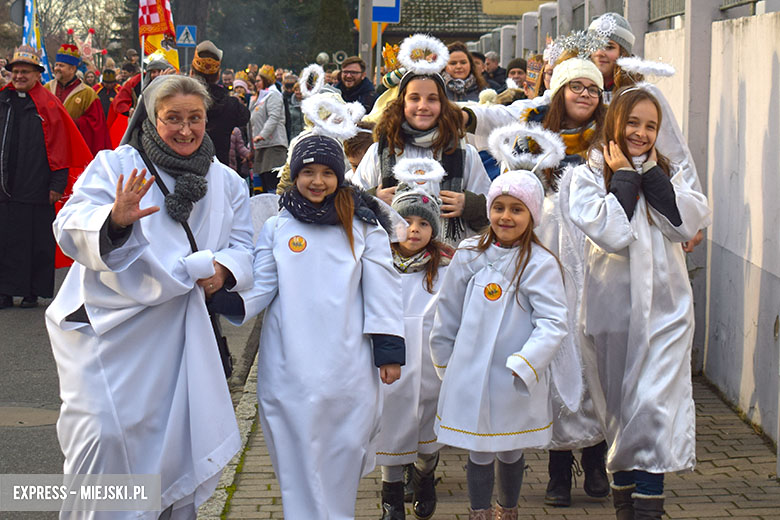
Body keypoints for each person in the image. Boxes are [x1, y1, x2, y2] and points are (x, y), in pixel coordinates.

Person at [46, 75, 254, 519]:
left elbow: (243, 246)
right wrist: (114, 220)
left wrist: (223, 270)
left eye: (195, 118)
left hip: (181, 335)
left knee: (177, 444)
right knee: (102, 435)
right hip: (110, 334)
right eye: (172, 118)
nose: (185, 129)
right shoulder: (115, 166)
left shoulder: (227, 182)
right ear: (151, 118)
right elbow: (68, 225)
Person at [228, 132, 405, 519]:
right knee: (297, 461)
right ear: (295, 175)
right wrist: (222, 296)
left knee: (342, 454)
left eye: (328, 173)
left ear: (339, 176)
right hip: (289, 368)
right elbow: (262, 285)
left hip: (348, 365)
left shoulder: (364, 227)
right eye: (308, 172)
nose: (318, 181)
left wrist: (389, 349)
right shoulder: (277, 227)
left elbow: (383, 289)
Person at [466, 55, 611, 508]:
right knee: (552, 352)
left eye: (592, 88)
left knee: (593, 355)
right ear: (559, 91)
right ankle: (558, 469)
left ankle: (596, 457)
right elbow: (512, 189)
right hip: (544, 259)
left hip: (596, 261)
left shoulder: (607, 139)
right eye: (576, 86)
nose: (584, 94)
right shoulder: (532, 135)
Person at [566, 86, 712, 520]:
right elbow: (610, 232)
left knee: (654, 405)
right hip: (613, 310)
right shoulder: (588, 174)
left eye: (651, 126)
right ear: (615, 122)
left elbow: (684, 223)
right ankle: (626, 502)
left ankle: (650, 507)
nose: (641, 133)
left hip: (667, 309)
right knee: (620, 409)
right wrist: (625, 177)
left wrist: (648, 175)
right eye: (632, 122)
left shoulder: (668, 173)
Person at [430, 170, 568, 519]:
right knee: (478, 447)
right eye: (499, 207)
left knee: (509, 447)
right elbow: (448, 311)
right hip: (471, 371)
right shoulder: (469, 254)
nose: (506, 216)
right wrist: (445, 360)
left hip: (513, 376)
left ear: (532, 215)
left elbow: (553, 322)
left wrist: (526, 363)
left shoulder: (540, 263)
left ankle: (508, 510)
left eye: (517, 209)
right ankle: (479, 511)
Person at [354, 38, 491, 246]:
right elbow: (349, 202)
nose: (423, 106)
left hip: (449, 257)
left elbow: (492, 208)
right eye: (414, 98)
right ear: (402, 103)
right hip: (390, 257)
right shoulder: (378, 153)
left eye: (432, 99)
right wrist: (374, 199)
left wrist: (469, 205)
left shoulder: (466, 153)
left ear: (443, 105)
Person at [376, 159, 453, 520]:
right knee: (389, 429)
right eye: (406, 221)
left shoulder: (446, 268)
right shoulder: (379, 263)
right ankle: (391, 498)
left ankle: (424, 476)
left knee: (427, 433)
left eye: (423, 223)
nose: (414, 230)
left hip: (431, 367)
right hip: (391, 365)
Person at [0, 45, 92, 309]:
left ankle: (32, 292)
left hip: (36, 184)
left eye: (25, 72)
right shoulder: (3, 100)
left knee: (35, 241)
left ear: (36, 75)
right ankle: (4, 291)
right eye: (16, 71)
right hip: (5, 185)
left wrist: (57, 184)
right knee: (4, 239)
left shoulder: (49, 105)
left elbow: (61, 145)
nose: (19, 76)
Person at [190, 40, 250, 167]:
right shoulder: (231, 105)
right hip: (219, 169)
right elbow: (245, 116)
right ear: (218, 75)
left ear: (191, 73)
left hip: (185, 169)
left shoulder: (181, 101)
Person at [45, 44, 111, 155]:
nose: (57, 69)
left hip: (74, 149)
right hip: (50, 147)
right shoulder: (46, 89)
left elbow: (96, 125)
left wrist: (71, 123)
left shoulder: (88, 93)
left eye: (61, 66)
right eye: (56, 65)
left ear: (72, 69)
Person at [249, 64, 287, 193]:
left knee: (273, 185)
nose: (256, 84)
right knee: (262, 186)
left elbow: (273, 118)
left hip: (273, 145)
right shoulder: (259, 97)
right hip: (260, 146)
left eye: (258, 81)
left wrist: (262, 135)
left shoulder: (273, 95)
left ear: (266, 81)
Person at [588, 12, 639, 104]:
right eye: (595, 45)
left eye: (609, 47)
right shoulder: (576, 89)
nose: (600, 53)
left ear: (623, 53)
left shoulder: (638, 94)